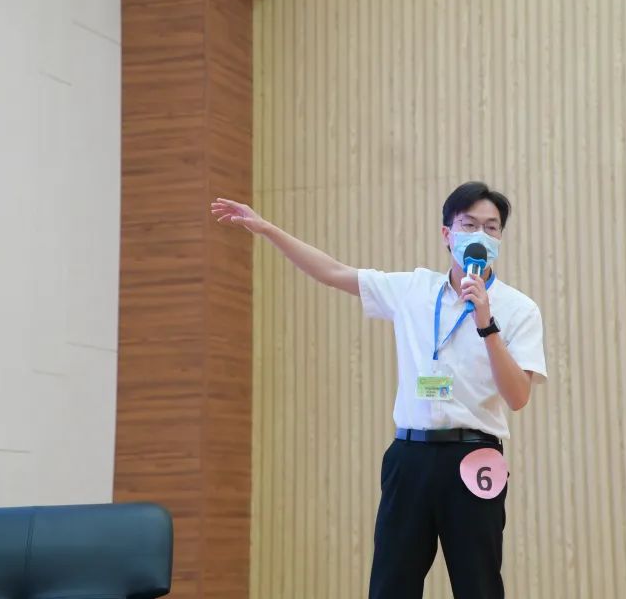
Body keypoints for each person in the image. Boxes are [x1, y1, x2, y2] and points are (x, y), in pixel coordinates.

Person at [212, 181, 547, 599]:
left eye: (491, 227)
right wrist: (267, 229)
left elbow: (518, 397)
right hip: (409, 456)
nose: (480, 235)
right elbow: (332, 272)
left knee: (478, 586)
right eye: (469, 224)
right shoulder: (413, 289)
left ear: (499, 239)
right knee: (391, 583)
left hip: (474, 457)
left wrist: (487, 324)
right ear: (447, 234)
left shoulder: (518, 308)